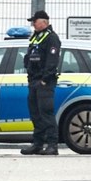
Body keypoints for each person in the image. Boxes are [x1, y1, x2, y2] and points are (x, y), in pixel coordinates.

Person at [19, 10, 61, 156]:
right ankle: (37, 144)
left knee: (46, 113)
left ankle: (52, 145)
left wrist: (44, 80)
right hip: (34, 81)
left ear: (44, 22)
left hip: (45, 82)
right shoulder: (36, 37)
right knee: (35, 114)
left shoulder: (52, 38)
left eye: (35, 21)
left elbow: (52, 61)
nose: (33, 24)